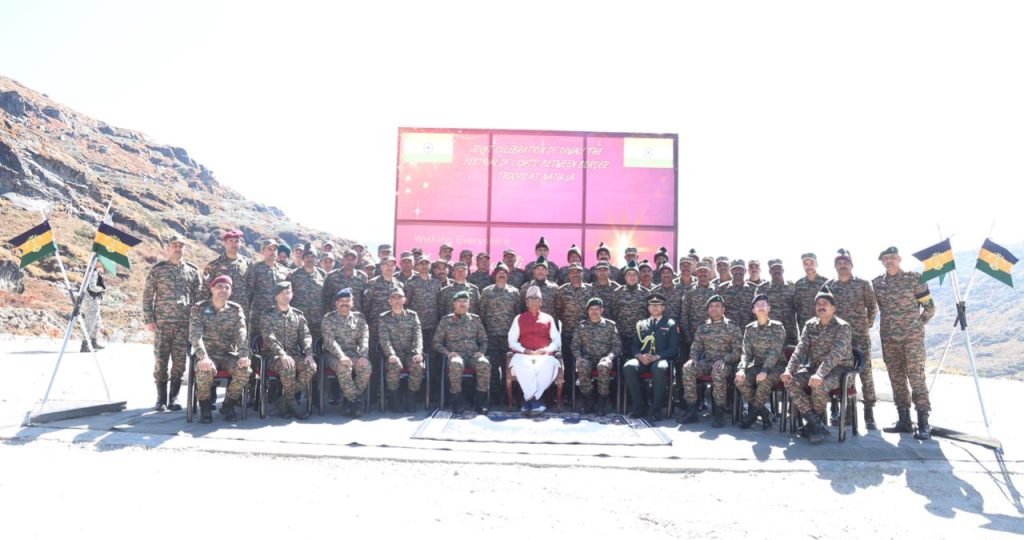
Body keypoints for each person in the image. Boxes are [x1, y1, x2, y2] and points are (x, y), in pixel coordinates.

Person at [873, 246, 935, 440]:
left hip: (911, 340)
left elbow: (930, 307)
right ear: (882, 261)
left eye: (892, 257)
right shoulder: (877, 284)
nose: (889, 261)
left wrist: (917, 324)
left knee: (916, 379)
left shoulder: (914, 279)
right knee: (897, 380)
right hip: (889, 340)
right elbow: (879, 308)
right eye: (886, 258)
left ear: (899, 259)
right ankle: (904, 421)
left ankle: (923, 423)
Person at [781, 286, 853, 444]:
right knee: (790, 381)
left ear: (833, 308)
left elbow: (836, 354)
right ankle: (817, 424)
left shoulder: (843, 326)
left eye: (825, 303)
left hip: (840, 371)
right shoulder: (810, 325)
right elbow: (800, 350)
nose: (821, 306)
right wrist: (788, 370)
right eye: (818, 303)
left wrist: (820, 374)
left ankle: (814, 426)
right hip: (815, 369)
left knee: (819, 384)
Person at [143, 233, 201, 411]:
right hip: (162, 324)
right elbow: (148, 296)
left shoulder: (192, 271)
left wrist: (196, 322)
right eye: (174, 245)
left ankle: (173, 399)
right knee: (161, 361)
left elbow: (198, 299)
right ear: (168, 248)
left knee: (179, 363)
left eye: (181, 246)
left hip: (183, 324)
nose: (178, 248)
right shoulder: (158, 270)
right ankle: (161, 399)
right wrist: (149, 319)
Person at [825, 249, 879, 430]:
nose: (843, 265)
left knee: (866, 373)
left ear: (851, 265)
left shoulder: (863, 284)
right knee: (843, 373)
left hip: (860, 336)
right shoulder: (829, 286)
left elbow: (872, 307)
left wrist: (866, 325)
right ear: (835, 266)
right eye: (839, 262)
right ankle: (846, 413)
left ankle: (869, 413)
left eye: (846, 262)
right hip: (839, 339)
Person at [188, 275, 251, 423]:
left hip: (228, 354)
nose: (223, 290)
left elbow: (241, 334)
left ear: (231, 291)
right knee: (205, 370)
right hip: (207, 354)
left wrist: (243, 355)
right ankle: (205, 405)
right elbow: (195, 334)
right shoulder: (199, 308)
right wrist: (203, 356)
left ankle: (228, 404)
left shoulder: (236, 309)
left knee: (244, 370)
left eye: (227, 287)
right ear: (212, 289)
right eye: (219, 287)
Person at [678, 294, 742, 427]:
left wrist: (724, 360)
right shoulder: (703, 327)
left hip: (725, 363)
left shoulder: (733, 327)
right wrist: (693, 359)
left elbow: (738, 351)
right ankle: (692, 409)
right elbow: (696, 347)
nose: (714, 309)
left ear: (723, 309)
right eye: (711, 306)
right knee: (688, 369)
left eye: (717, 306)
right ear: (708, 310)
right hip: (707, 362)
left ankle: (719, 412)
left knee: (718, 371)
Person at [259, 281, 316, 420]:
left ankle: (284, 400)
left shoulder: (298, 315)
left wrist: (309, 354)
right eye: (282, 293)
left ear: (292, 294)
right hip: (272, 355)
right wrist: (282, 354)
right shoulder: (267, 315)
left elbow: (306, 336)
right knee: (288, 366)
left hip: (293, 353)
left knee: (311, 367)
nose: (285, 296)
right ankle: (291, 402)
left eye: (288, 293)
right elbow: (269, 337)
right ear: (276, 296)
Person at [622, 294, 678, 422]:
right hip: (643, 359)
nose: (655, 307)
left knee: (659, 368)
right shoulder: (642, 324)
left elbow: (674, 348)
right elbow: (634, 345)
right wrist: (639, 356)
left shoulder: (670, 324)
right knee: (629, 366)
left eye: (658, 305)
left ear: (663, 308)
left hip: (661, 359)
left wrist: (657, 356)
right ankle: (639, 406)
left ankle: (655, 410)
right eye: (652, 305)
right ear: (648, 308)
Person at [433, 291, 490, 414]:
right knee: (456, 364)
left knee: (484, 363)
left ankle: (480, 402)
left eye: (465, 301)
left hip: (473, 355)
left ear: (469, 304)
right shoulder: (446, 320)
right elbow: (436, 343)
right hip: (456, 355)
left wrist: (481, 352)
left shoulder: (475, 320)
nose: (462, 304)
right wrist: (448, 353)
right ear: (454, 304)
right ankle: (457, 401)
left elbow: (484, 340)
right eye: (459, 301)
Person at [508, 286, 562, 415]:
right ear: (526, 302)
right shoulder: (519, 318)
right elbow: (512, 341)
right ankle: (535, 401)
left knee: (547, 365)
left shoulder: (548, 318)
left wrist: (545, 350)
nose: (533, 301)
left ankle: (529, 400)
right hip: (524, 355)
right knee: (523, 365)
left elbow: (557, 341)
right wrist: (525, 350)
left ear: (541, 302)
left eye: (536, 298)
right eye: (530, 298)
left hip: (544, 355)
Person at [735, 294, 786, 429]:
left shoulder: (778, 327)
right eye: (757, 305)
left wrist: (765, 370)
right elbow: (746, 352)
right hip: (757, 366)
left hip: (777, 367)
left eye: (763, 304)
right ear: (753, 310)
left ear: (769, 308)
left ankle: (752, 415)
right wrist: (742, 369)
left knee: (764, 380)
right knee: (739, 380)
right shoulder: (749, 329)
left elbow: (775, 352)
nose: (761, 307)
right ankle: (764, 412)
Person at [321, 288, 372, 417]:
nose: (345, 303)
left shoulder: (359, 318)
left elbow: (364, 338)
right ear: (336, 303)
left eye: (347, 300)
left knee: (366, 367)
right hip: (333, 356)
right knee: (344, 368)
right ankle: (355, 402)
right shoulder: (328, 318)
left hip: (354, 354)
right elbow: (329, 341)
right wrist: (341, 356)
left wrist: (364, 355)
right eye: (341, 301)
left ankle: (349, 398)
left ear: (352, 303)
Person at [571, 297, 621, 415]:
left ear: (602, 310)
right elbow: (575, 346)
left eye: (597, 309)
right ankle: (589, 398)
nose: (594, 312)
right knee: (581, 365)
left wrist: (610, 357)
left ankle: (601, 400)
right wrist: (578, 357)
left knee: (603, 366)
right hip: (587, 358)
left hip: (604, 358)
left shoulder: (610, 325)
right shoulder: (581, 327)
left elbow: (617, 346)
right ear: (587, 311)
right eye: (591, 309)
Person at [378, 287, 425, 412]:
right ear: (389, 301)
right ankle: (394, 398)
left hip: (410, 353)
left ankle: (411, 397)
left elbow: (418, 336)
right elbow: (384, 339)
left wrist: (418, 352)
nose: (397, 300)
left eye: (399, 297)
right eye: (393, 297)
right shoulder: (384, 318)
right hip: (394, 354)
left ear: (404, 300)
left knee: (418, 366)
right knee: (394, 365)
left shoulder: (413, 316)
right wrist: (391, 354)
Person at [756, 259, 798, 345]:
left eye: (779, 268)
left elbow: (798, 306)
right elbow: (757, 311)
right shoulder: (762, 288)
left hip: (791, 333)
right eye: (773, 269)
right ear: (769, 272)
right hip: (771, 333)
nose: (776, 271)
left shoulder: (792, 286)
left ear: (783, 270)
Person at [793, 252, 828, 330]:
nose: (809, 266)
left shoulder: (826, 283)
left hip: (824, 327)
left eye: (811, 263)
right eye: (806, 264)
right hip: (805, 328)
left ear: (817, 264)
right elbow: (797, 307)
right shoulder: (798, 285)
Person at [80, 262, 107, 352]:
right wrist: (102, 289)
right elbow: (92, 287)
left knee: (97, 323)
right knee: (90, 323)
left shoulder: (94, 272)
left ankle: (93, 342)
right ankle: (85, 345)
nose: (102, 265)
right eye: (101, 263)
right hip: (91, 302)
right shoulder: (93, 272)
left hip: (94, 302)